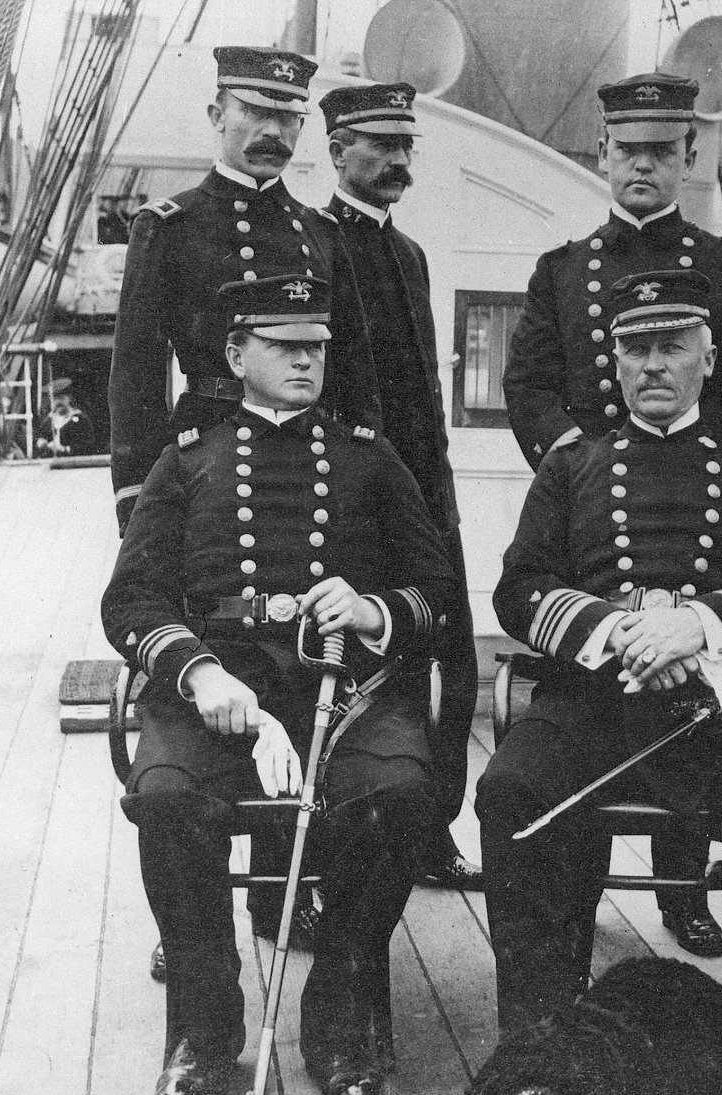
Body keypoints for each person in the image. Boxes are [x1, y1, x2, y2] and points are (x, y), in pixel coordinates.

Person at [478, 270, 722, 1095]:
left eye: (672, 346)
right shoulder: (571, 467)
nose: (653, 366)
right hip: (594, 701)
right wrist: (614, 629)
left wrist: (701, 622)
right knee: (510, 789)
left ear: (709, 358)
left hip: (715, 713)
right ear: (615, 361)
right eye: (635, 349)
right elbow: (519, 589)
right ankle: (542, 1040)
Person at [102, 275, 455, 1095]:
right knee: (167, 798)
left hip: (345, 688)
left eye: (317, 346)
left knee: (401, 794)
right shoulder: (188, 461)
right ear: (236, 354)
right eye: (284, 343)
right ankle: (206, 1025)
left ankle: (337, 1014)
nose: (305, 359)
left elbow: (437, 587)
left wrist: (373, 609)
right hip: (217, 688)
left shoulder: (370, 458)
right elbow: (131, 599)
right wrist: (196, 670)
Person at [501, 72, 722, 955]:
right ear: (603, 155)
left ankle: (685, 890)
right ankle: (564, 921)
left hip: (701, 511)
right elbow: (529, 384)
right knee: (542, 766)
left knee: (714, 724)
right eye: (629, 151)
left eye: (663, 152)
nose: (643, 167)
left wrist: (704, 469)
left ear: (687, 158)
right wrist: (582, 462)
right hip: (590, 503)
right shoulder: (562, 271)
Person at [107, 45, 382, 535]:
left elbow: (356, 366)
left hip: (308, 452)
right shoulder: (170, 225)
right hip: (207, 451)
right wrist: (135, 492)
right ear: (217, 116)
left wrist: (365, 465)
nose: (272, 132)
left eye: (287, 117)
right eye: (254, 112)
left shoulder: (320, 231)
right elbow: (136, 376)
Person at [320, 82, 482, 891]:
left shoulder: (409, 254)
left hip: (427, 504)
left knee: (456, 669)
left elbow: (423, 393)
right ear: (337, 150)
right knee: (375, 675)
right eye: (380, 145)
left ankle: (430, 828)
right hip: (358, 509)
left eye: (406, 146)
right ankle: (330, 855)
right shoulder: (314, 245)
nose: (398, 160)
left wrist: (442, 503)